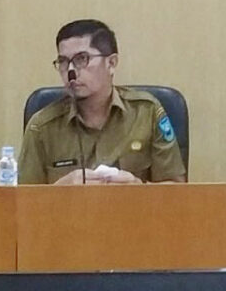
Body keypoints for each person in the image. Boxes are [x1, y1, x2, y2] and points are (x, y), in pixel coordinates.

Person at [18, 19, 186, 184]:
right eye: (63, 62)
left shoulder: (146, 113)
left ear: (111, 63)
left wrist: (137, 188)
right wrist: (60, 192)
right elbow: (22, 200)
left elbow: (177, 192)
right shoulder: (41, 127)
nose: (70, 71)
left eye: (81, 59)